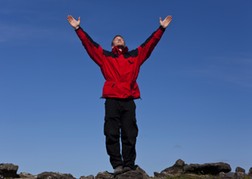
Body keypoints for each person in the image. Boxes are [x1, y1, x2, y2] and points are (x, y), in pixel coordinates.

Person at [67, 15, 172, 174]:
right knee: (111, 132)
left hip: (129, 99)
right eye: (116, 38)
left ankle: (129, 164)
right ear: (112, 44)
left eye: (121, 38)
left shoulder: (135, 56)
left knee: (130, 133)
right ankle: (117, 165)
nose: (119, 39)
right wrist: (77, 28)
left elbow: (150, 44)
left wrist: (161, 28)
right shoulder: (105, 57)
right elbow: (89, 44)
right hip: (112, 99)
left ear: (124, 43)